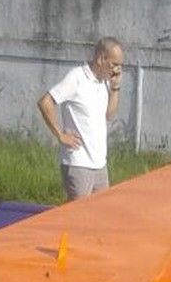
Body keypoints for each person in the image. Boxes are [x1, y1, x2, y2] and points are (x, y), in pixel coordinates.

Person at [37, 38, 124, 201]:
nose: (116, 70)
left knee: (101, 216)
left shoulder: (104, 82)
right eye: (114, 65)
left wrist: (115, 87)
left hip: (99, 164)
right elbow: (45, 102)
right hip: (78, 163)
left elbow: (109, 115)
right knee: (78, 219)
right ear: (100, 58)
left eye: (120, 66)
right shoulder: (76, 78)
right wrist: (60, 135)